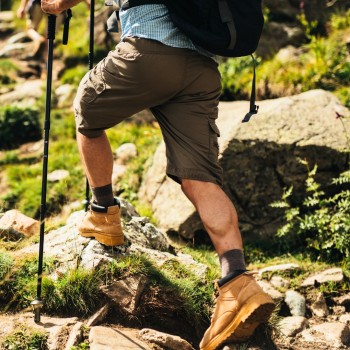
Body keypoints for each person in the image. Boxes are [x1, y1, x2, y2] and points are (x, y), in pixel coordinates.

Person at [41, 0, 275, 349]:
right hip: (199, 70)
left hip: (148, 52)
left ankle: (103, 213)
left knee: (86, 109)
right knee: (201, 179)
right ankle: (237, 280)